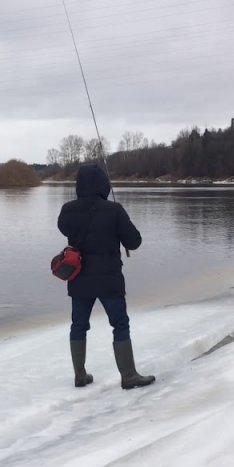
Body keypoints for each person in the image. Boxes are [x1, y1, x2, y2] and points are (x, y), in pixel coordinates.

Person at [57, 164, 155, 390]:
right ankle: (128, 376)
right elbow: (134, 242)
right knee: (120, 324)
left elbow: (63, 228)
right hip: (109, 278)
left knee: (78, 325)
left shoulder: (68, 210)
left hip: (79, 277)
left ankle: (80, 375)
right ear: (104, 184)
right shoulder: (114, 210)